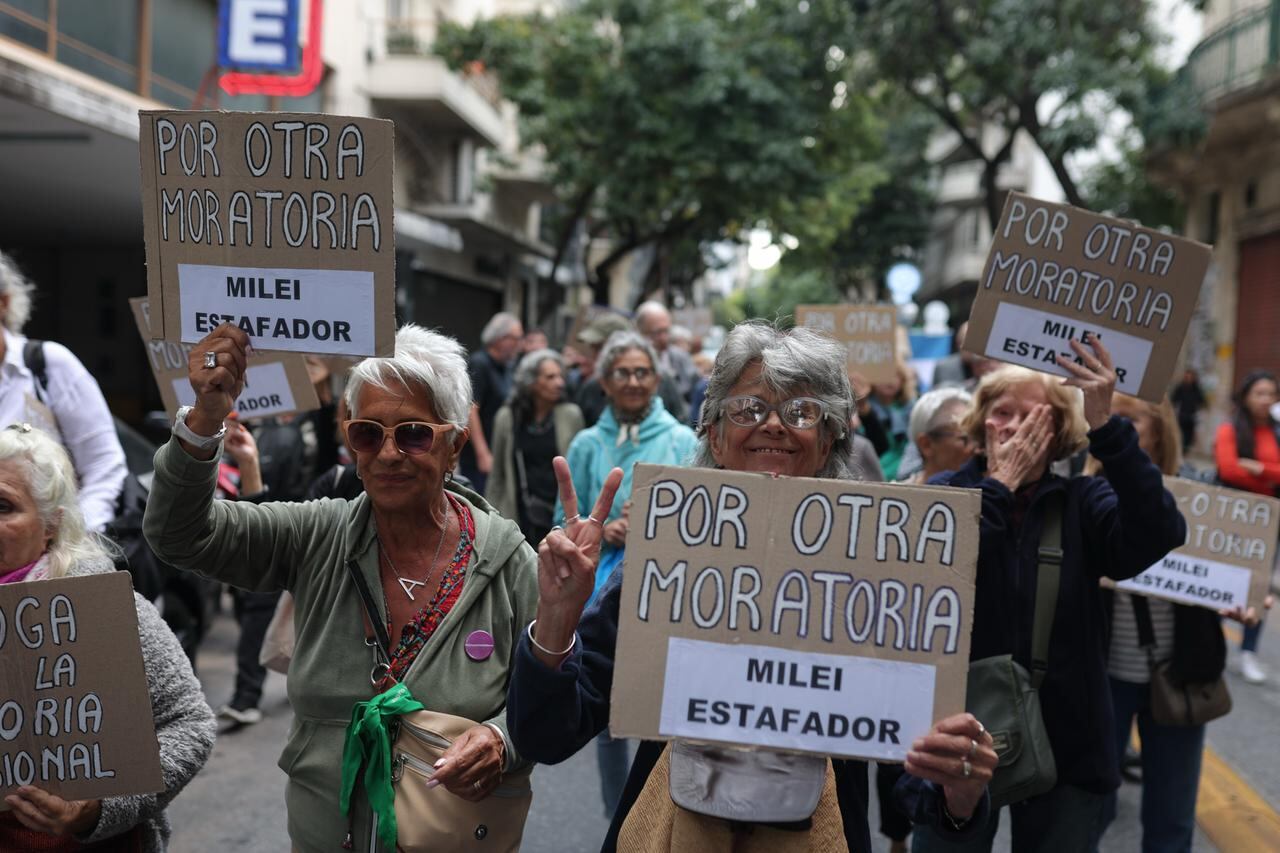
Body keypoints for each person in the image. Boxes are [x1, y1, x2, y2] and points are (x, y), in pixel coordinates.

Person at [510, 322, 999, 852]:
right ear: (715, 436)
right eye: (747, 410)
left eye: (801, 412)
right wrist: (557, 617)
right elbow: (548, 735)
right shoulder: (670, 557)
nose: (774, 426)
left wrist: (961, 789)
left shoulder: (883, 571)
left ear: (830, 437)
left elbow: (918, 783)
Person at [144, 323, 540, 853]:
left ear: (453, 446)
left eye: (414, 434)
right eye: (368, 433)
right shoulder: (316, 533)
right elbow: (179, 534)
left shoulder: (509, 560)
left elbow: (558, 694)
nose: (389, 453)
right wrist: (206, 417)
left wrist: (502, 739)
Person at [915, 335, 1186, 852]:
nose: (1013, 426)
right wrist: (997, 487)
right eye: (1001, 412)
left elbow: (1160, 531)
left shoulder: (1084, 501)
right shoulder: (946, 494)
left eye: (1033, 416)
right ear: (979, 421)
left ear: (1059, 432)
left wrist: (1107, 427)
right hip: (956, 738)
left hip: (1068, 741)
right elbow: (930, 573)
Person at [0, 423, 215, 852]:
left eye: (3, 506)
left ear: (50, 526)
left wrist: (95, 809)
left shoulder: (98, 606)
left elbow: (190, 725)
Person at [1089, 393, 1270, 853]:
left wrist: (1245, 598)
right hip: (1101, 674)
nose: (1114, 425)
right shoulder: (1086, 490)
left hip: (1181, 671)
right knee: (1088, 810)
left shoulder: (1198, 490)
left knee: (1172, 818)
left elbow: (1229, 573)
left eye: (1127, 419)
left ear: (1158, 426)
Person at [559, 329, 699, 818]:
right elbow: (565, 522)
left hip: (665, 588)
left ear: (658, 379)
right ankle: (617, 820)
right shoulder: (584, 443)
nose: (634, 381)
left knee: (660, 704)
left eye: (643, 372)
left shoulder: (683, 439)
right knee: (609, 707)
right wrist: (602, 530)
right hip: (602, 592)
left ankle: (660, 816)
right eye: (623, 372)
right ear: (604, 381)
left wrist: (656, 523)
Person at [0, 249, 126, 531]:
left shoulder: (48, 365)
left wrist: (73, 542)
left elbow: (105, 465)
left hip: (58, 561)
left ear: (3, 303)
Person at [1214, 369, 1279, 684]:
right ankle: (1210, 642)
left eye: (1271, 394)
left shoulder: (1277, 431)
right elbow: (1228, 469)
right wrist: (1271, 475)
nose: (1266, 400)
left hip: (1269, 522)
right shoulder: (1231, 428)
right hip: (1235, 517)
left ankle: (1248, 653)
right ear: (1246, 396)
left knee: (1259, 588)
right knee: (1221, 578)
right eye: (1259, 393)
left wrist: (1259, 467)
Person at [489, 349, 585, 544]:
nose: (559, 383)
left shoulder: (570, 415)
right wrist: (491, 516)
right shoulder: (507, 418)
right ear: (531, 382)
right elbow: (497, 473)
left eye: (560, 376)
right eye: (550, 377)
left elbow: (581, 469)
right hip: (520, 512)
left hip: (559, 513)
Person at [576, 314, 688, 426]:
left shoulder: (664, 381)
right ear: (605, 384)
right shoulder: (590, 388)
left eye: (600, 347)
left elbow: (682, 420)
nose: (633, 383)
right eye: (621, 374)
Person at [461, 311, 524, 494]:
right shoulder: (480, 364)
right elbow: (470, 409)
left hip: (499, 452)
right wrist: (483, 454)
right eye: (516, 339)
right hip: (480, 457)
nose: (519, 345)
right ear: (500, 339)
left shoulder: (507, 367)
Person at [901, 388, 975, 484]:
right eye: (964, 439)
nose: (975, 448)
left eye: (978, 438)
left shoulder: (989, 494)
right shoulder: (893, 496)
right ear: (926, 444)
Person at [635, 301, 700, 404]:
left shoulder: (681, 358)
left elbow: (697, 391)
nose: (663, 338)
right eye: (657, 332)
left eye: (666, 331)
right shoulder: (632, 363)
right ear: (640, 332)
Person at [867, 361, 917, 481]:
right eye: (885, 374)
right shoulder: (863, 409)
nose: (890, 380)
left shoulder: (912, 409)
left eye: (896, 375)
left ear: (903, 380)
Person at [1170, 369, 1206, 453]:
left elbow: (1202, 401)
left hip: (1191, 417)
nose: (1188, 378)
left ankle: (1184, 452)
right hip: (1181, 416)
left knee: (1188, 438)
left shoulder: (1196, 389)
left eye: (1190, 376)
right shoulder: (1180, 387)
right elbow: (1174, 400)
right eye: (1187, 376)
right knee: (1178, 435)